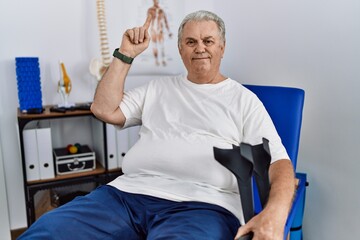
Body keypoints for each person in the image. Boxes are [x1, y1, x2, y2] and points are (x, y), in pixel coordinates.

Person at [19, 10, 295, 240]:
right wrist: (125, 55)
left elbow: (279, 163)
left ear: (222, 47)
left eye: (208, 41)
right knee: (45, 232)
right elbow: (103, 109)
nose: (200, 48)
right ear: (180, 49)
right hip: (125, 196)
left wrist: (275, 214)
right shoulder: (158, 88)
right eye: (190, 42)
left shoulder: (244, 100)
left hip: (204, 206)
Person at [147, 0, 172, 66]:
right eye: (155, 1)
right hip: (153, 30)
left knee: (162, 46)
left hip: (160, 30)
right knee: (154, 46)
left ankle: (163, 59)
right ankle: (156, 60)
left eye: (157, 1)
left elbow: (166, 21)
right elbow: (148, 21)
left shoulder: (161, 10)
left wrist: (169, 31)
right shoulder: (150, 10)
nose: (156, 2)